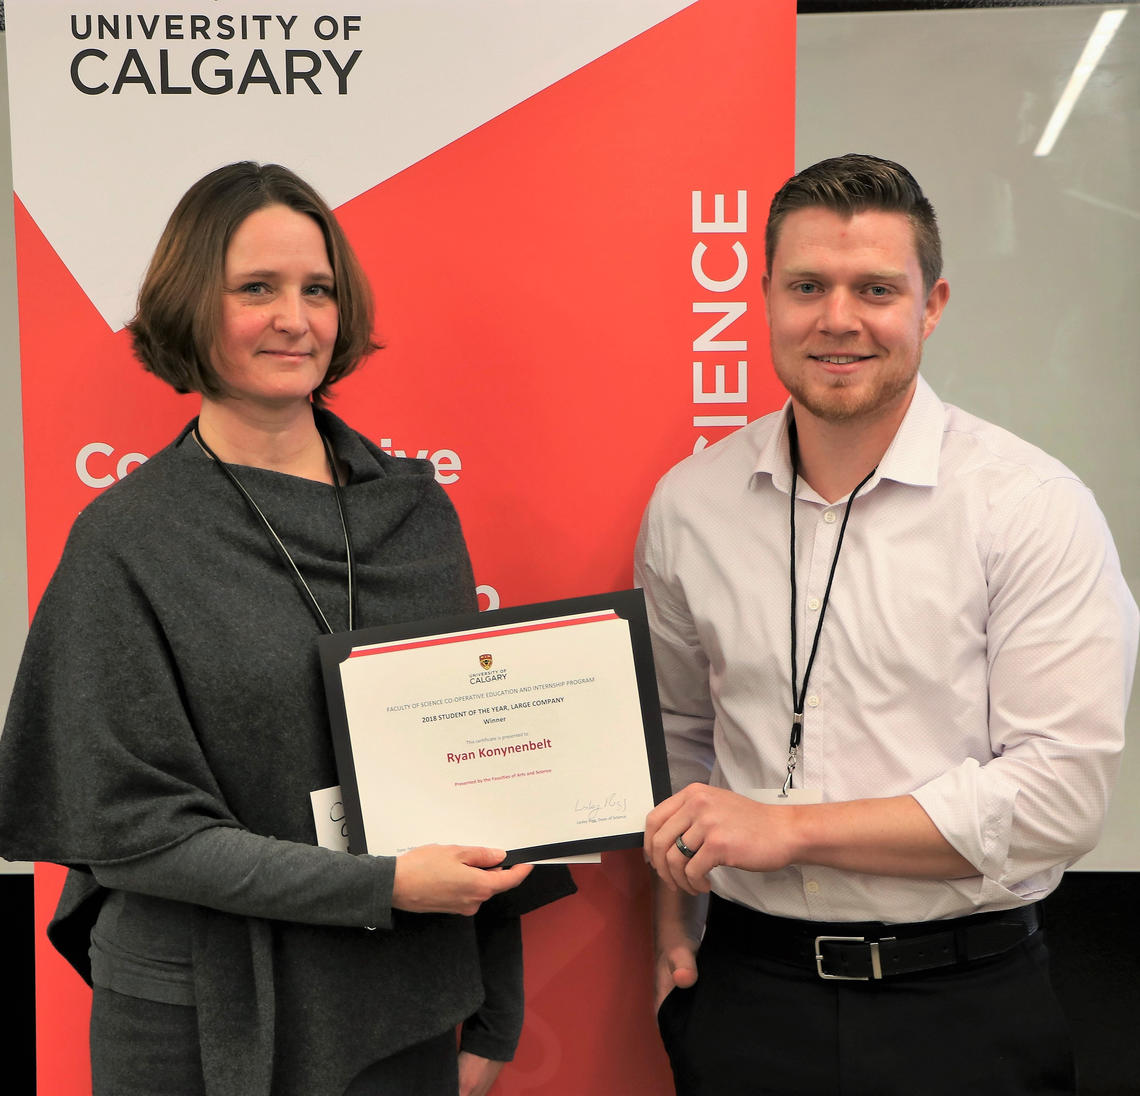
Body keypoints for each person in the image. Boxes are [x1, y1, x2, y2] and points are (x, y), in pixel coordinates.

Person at [0, 161, 573, 1096]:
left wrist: (495, 1011)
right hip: (195, 1014)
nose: (294, 319)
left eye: (317, 290)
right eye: (255, 289)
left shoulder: (416, 515)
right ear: (192, 305)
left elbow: (482, 774)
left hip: (401, 1000)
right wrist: (381, 885)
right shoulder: (128, 541)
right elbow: (136, 833)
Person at [638, 154, 1137, 1095]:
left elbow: (1060, 799)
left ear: (931, 304)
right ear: (765, 296)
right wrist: (672, 925)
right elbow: (677, 736)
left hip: (965, 1007)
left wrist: (790, 832)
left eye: (876, 289)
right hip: (748, 999)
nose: (838, 319)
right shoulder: (689, 505)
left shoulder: (1029, 506)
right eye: (807, 287)